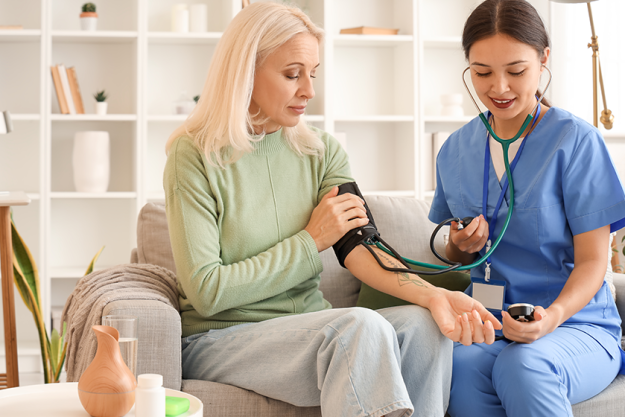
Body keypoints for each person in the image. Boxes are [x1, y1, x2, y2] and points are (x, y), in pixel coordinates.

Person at [163, 2, 500, 416]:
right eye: (292, 74)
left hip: (308, 329)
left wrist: (435, 298)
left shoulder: (320, 152)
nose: (309, 90)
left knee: (422, 326)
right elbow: (208, 291)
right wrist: (310, 241)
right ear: (246, 71)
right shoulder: (193, 155)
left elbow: (360, 245)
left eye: (313, 74)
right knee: (358, 327)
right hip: (222, 338)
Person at [429, 1, 625, 416]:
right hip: (490, 321)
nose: (499, 87)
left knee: (525, 365)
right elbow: (454, 254)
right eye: (482, 72)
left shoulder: (574, 142)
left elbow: (594, 260)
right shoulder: (455, 149)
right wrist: (461, 245)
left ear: (543, 60)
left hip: (574, 325)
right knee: (457, 366)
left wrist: (550, 318)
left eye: (516, 71)